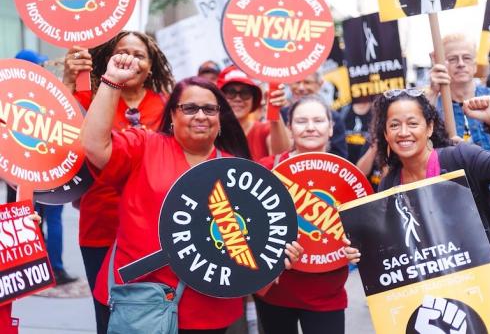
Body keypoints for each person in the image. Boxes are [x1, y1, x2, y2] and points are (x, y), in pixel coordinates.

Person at [80, 53, 303, 333]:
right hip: (141, 303)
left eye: (210, 110)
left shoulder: (238, 172)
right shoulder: (144, 145)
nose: (201, 115)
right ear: (172, 115)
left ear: (220, 120)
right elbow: (93, 146)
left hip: (210, 312)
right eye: (190, 108)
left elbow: (255, 244)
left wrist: (279, 256)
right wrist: (111, 81)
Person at [62, 30, 175, 333]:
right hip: (99, 227)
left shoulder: (169, 108)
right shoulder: (90, 100)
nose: (129, 59)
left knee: (146, 312)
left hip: (149, 234)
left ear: (150, 66)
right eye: (121, 52)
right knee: (106, 313)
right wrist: (68, 81)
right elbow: (57, 131)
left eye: (139, 55)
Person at [345, 89, 490, 296]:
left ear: (429, 127)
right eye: (394, 125)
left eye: (413, 123)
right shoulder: (389, 185)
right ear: (386, 134)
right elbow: (392, 248)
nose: (403, 132)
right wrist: (361, 251)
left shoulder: (460, 158)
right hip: (439, 298)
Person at [256, 95, 347, 334]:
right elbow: (246, 225)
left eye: (318, 120)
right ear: (289, 127)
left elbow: (360, 233)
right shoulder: (266, 168)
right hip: (275, 293)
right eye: (301, 121)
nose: (310, 127)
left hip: (327, 294)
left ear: (331, 128)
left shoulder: (348, 176)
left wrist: (355, 248)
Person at [12, 49, 78, 285]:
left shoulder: (9, 95)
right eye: (37, 66)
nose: (41, 70)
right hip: (41, 170)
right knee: (38, 219)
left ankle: (32, 270)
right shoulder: (45, 94)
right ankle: (46, 269)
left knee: (30, 219)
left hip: (26, 171)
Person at [428, 33, 490, 210]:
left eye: (466, 57)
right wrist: (432, 93)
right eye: (452, 58)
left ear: (474, 65)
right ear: (441, 65)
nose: (460, 63)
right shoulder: (431, 104)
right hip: (450, 200)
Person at [217, 66, 291, 161]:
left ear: (253, 99)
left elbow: (282, 158)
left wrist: (274, 109)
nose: (238, 99)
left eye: (245, 93)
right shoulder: (213, 131)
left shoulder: (263, 130)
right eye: (230, 93)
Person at [282, 72, 348, 158]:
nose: (301, 87)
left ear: (319, 84)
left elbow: (340, 158)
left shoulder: (334, 117)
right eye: (297, 82)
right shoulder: (281, 115)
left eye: (307, 83)